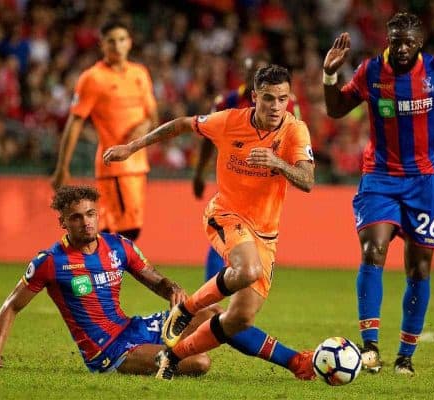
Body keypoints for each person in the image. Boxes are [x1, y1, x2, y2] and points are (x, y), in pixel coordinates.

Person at [104, 64, 316, 380]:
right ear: (254, 97)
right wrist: (132, 148)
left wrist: (277, 162)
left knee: (239, 320)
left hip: (266, 233)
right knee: (247, 270)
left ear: (289, 99)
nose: (275, 107)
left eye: (282, 99)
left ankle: (172, 357)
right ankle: (186, 309)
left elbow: (307, 180)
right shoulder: (229, 121)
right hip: (226, 215)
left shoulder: (295, 130)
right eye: (268, 98)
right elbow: (181, 125)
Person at [322, 12, 434, 375]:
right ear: (387, 38)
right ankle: (370, 348)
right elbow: (336, 109)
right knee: (373, 250)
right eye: (395, 39)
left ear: (420, 42)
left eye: (408, 41)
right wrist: (329, 75)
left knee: (419, 266)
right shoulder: (370, 71)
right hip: (380, 177)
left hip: (424, 182)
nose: (401, 48)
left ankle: (405, 355)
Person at [0, 185, 214, 375]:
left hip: (130, 328)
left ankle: (174, 349)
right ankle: (164, 352)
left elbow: (154, 279)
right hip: (107, 350)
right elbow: (12, 306)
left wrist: (172, 288)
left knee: (212, 313)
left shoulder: (118, 246)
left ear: (98, 214)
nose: (86, 222)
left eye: (90, 214)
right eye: (76, 217)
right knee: (200, 362)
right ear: (62, 222)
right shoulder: (51, 262)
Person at [193, 56, 301, 282]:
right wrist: (199, 172)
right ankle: (210, 293)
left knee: (253, 244)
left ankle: (235, 311)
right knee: (226, 225)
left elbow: (294, 136)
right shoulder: (227, 102)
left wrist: (286, 167)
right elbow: (206, 137)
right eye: (250, 71)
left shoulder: (288, 104)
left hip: (266, 179)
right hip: (236, 176)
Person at [51, 19, 158, 241]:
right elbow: (75, 121)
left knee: (122, 231)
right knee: (122, 232)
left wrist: (145, 126)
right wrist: (62, 167)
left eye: (121, 40)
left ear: (130, 42)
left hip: (139, 164)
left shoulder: (140, 73)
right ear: (102, 45)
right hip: (114, 166)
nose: (117, 46)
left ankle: (91, 271)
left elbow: (153, 116)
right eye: (111, 41)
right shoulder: (93, 78)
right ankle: (87, 269)